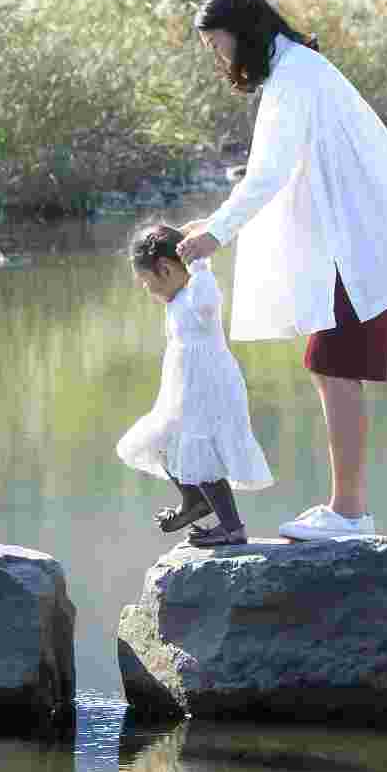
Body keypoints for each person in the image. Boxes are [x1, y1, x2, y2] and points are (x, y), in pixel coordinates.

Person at [177, 0, 387, 541]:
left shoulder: (296, 78)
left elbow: (270, 173)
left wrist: (218, 234)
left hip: (361, 241)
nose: (219, 60)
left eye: (217, 45)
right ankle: (347, 510)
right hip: (355, 238)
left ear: (242, 32)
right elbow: (283, 172)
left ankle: (349, 514)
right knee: (330, 364)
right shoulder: (296, 71)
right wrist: (215, 221)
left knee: (333, 365)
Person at [117, 222, 272, 548]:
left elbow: (208, 302)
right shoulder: (175, 301)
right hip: (183, 392)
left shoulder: (197, 293)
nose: (145, 288)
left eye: (145, 280)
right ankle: (194, 501)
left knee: (202, 454)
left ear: (164, 269)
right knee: (161, 441)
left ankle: (231, 528)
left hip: (209, 389)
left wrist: (198, 262)